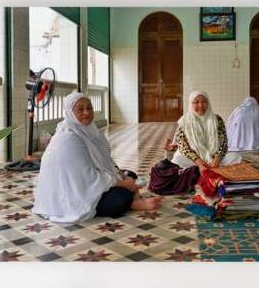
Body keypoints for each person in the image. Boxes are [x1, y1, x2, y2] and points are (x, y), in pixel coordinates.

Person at [33, 92, 161, 223]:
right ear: (70, 113)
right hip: (71, 195)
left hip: (88, 182)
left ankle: (132, 198)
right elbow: (87, 178)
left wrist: (122, 176)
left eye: (89, 108)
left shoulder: (90, 131)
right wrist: (123, 184)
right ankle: (132, 204)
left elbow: (106, 161)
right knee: (119, 197)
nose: (86, 112)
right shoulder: (68, 138)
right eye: (80, 109)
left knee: (130, 175)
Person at [172, 90, 242, 171]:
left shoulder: (217, 119)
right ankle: (203, 167)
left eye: (204, 102)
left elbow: (223, 143)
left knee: (236, 157)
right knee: (177, 160)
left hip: (214, 157)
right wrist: (199, 162)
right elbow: (183, 147)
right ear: (191, 104)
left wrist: (217, 159)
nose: (200, 105)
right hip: (194, 159)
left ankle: (203, 168)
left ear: (208, 103)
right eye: (196, 102)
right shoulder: (184, 121)